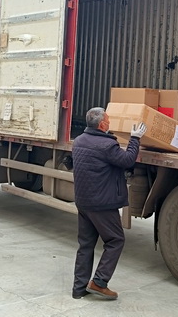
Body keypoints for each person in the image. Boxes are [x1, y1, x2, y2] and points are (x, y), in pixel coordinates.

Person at [71, 107, 147, 300]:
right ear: (101, 124)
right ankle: (99, 282)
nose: (110, 122)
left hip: (83, 202)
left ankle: (79, 289)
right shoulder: (106, 145)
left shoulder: (79, 141)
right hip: (102, 204)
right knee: (115, 240)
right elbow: (127, 160)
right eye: (108, 120)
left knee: (85, 244)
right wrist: (135, 139)